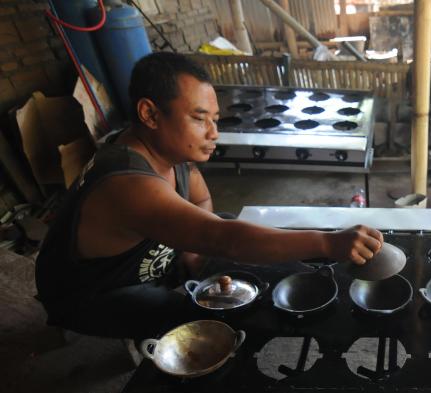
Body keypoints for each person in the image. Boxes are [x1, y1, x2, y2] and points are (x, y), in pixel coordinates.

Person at [35, 52, 382, 340]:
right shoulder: (126, 183)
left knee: (231, 231)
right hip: (95, 293)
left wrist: (191, 251)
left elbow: (201, 204)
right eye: (199, 119)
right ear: (150, 114)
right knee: (211, 313)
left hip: (151, 265)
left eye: (215, 119)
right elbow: (221, 238)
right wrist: (326, 243)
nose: (214, 133)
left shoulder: (168, 154)